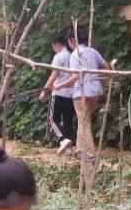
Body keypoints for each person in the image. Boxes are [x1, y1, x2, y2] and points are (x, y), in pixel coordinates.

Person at [52, 28, 110, 161]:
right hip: (95, 91)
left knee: (84, 122)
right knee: (84, 120)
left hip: (81, 92)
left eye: (69, 41)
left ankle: (89, 152)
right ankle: (80, 149)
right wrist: (97, 76)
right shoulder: (93, 51)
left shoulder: (75, 54)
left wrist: (60, 85)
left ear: (73, 40)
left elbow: (76, 75)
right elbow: (106, 67)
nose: (69, 44)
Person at [38, 32, 76, 155]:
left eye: (53, 47)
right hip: (71, 93)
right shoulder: (72, 56)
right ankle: (68, 148)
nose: (54, 49)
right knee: (68, 120)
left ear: (57, 45)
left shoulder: (58, 57)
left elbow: (54, 75)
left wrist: (44, 91)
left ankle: (63, 139)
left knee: (53, 119)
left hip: (59, 92)